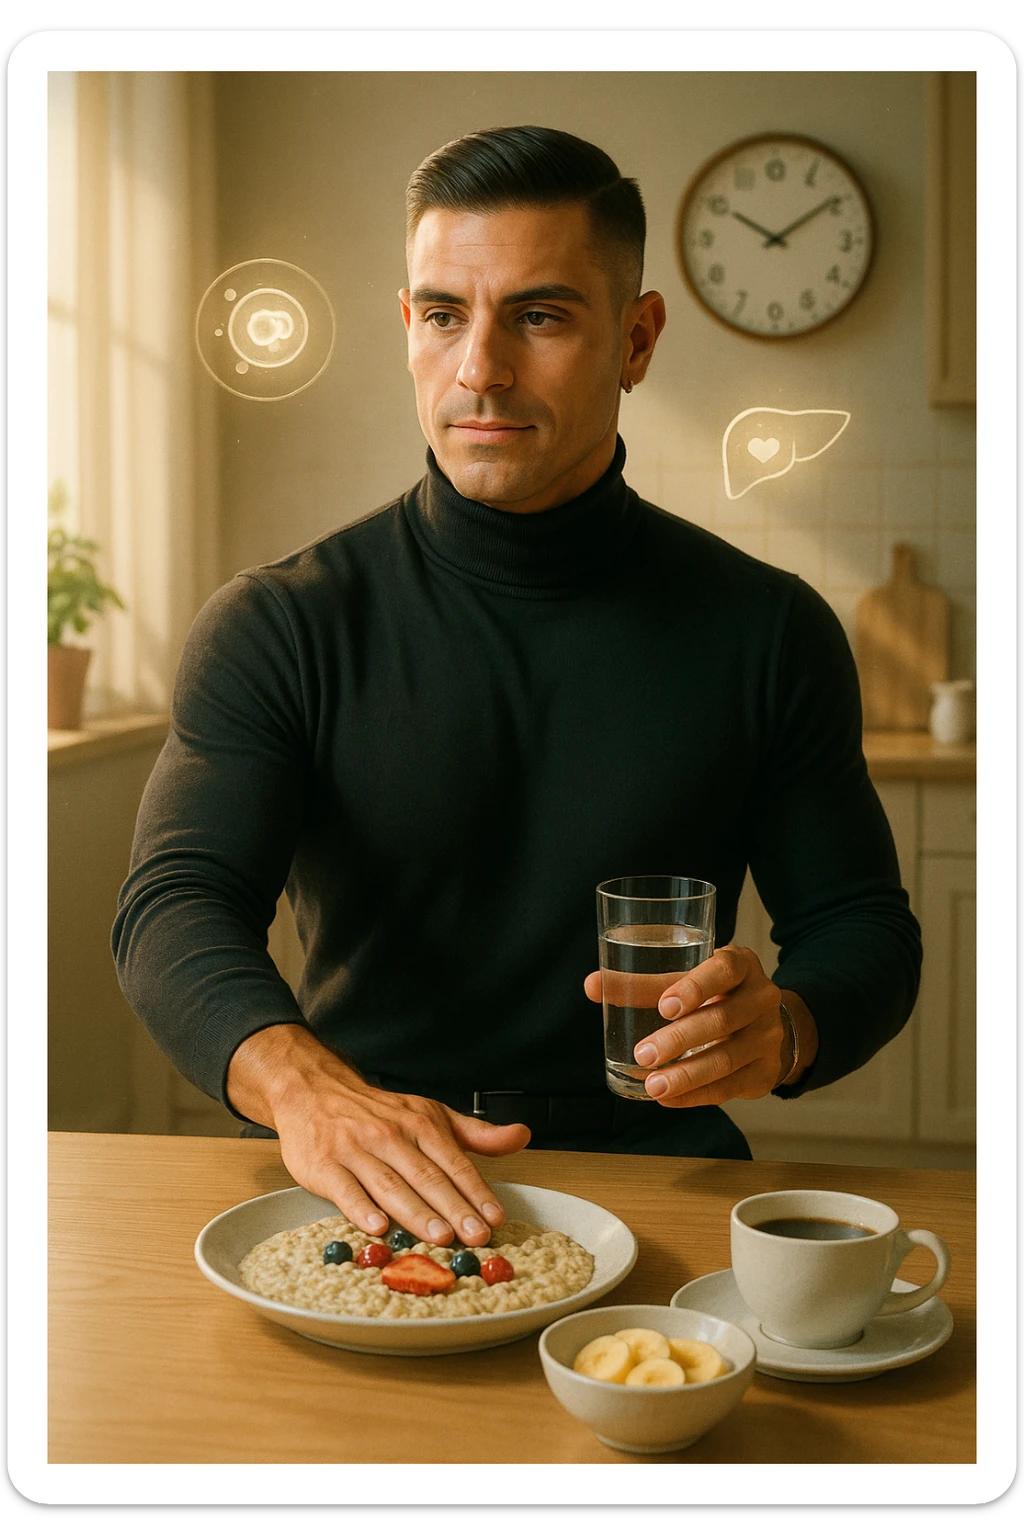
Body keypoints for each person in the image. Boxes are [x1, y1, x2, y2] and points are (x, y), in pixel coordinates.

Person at [112, 125, 922, 1252]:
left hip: (666, 1184)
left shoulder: (768, 629)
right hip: (372, 1183)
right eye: (444, 314)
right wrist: (306, 1090)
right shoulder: (279, 623)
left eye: (539, 316)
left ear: (636, 341)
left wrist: (785, 1026)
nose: (479, 367)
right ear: (408, 328)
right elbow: (173, 907)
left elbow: (861, 929)